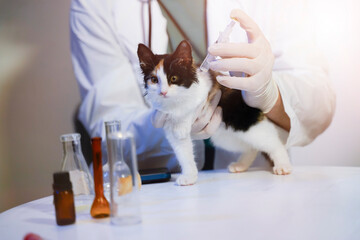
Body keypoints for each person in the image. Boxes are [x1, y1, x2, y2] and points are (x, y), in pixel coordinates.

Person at [70, 0, 336, 171]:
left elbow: (318, 99)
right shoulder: (97, 6)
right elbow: (109, 128)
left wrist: (270, 94)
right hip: (161, 195)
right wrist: (171, 117)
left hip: (256, 186)